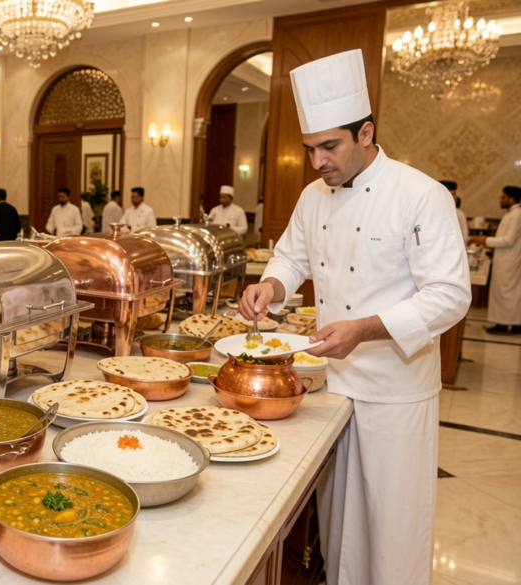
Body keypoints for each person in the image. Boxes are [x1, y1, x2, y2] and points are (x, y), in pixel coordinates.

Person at [238, 49, 470, 585]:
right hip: (331, 383)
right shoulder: (313, 196)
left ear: (366, 133)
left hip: (394, 389)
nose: (318, 161)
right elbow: (292, 256)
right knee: (337, 523)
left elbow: (450, 296)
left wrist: (364, 329)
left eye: (329, 146)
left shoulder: (420, 195)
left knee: (390, 529)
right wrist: (269, 286)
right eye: (309, 148)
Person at [468, 186, 521, 334]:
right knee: (505, 292)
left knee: (507, 292)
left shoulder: (516, 214)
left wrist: (485, 240)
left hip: (509, 260)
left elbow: (508, 240)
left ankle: (507, 323)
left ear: (512, 198)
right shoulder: (512, 214)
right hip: (505, 258)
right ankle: (507, 322)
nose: (500, 200)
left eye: (503, 197)